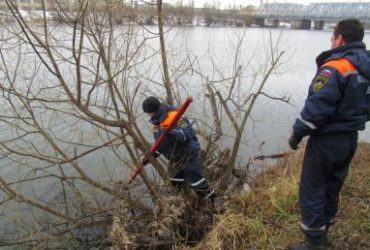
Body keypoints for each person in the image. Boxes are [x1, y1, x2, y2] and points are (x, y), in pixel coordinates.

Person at [288, 19, 370, 250]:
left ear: (340, 38)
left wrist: (297, 133)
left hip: (326, 140)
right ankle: (324, 231)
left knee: (313, 188)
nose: (331, 41)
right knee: (333, 186)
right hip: (350, 139)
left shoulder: (336, 67)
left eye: (332, 37)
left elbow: (317, 107)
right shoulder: (366, 66)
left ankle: (314, 243)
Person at [142, 96, 223, 212]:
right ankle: (176, 210)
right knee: (174, 184)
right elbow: (161, 144)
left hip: (188, 154)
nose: (147, 116)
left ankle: (216, 201)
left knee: (197, 183)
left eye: (147, 113)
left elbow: (187, 134)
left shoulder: (174, 115)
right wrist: (151, 156)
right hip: (175, 158)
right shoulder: (156, 124)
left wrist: (172, 132)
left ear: (151, 112)